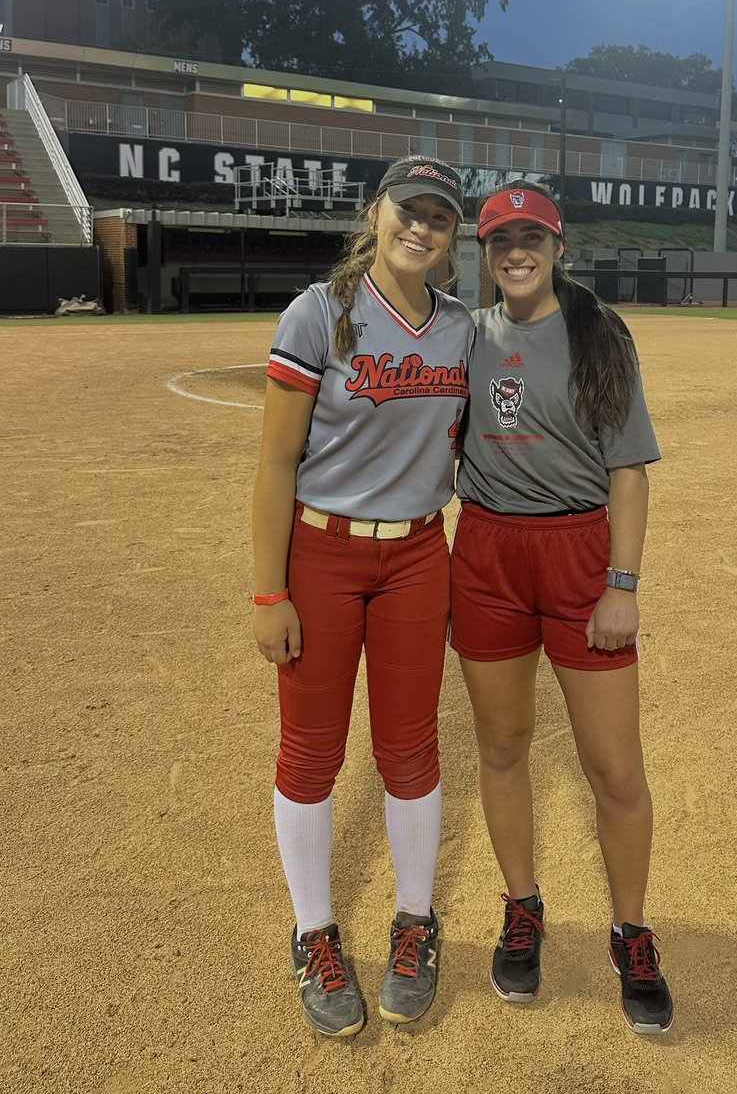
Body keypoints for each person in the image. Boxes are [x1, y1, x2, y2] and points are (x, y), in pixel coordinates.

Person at [252, 157, 473, 1038]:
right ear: (375, 213)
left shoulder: (461, 329)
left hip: (420, 553)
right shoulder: (319, 313)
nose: (419, 228)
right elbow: (274, 462)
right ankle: (314, 933)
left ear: (453, 238)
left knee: (409, 748)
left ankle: (416, 922)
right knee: (311, 751)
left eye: (439, 218)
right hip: (322, 554)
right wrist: (270, 590)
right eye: (407, 211)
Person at [449, 181, 673, 1034]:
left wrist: (622, 584)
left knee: (613, 768)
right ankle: (522, 908)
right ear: (484, 250)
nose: (515, 251)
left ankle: (630, 930)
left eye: (530, 238)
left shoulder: (597, 333)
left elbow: (627, 469)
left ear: (557, 246)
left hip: (579, 555)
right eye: (500, 239)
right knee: (502, 747)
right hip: (487, 553)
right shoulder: (466, 336)